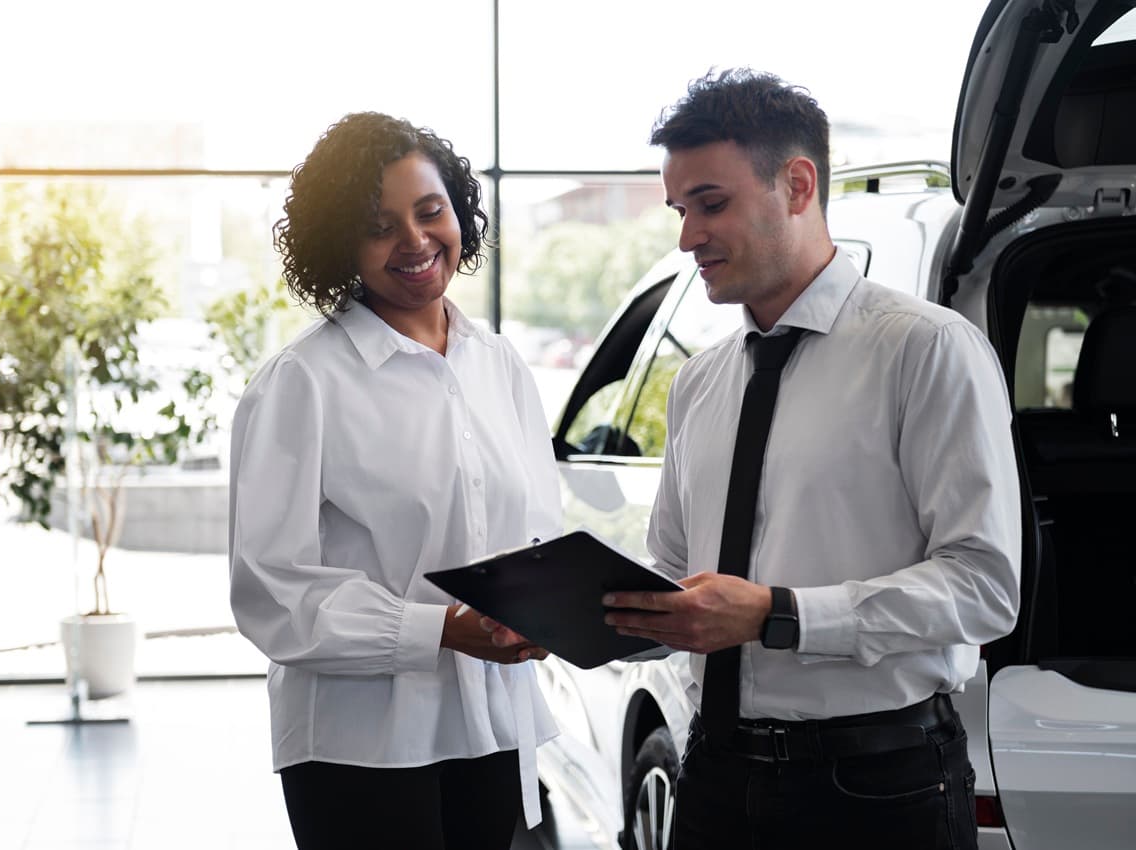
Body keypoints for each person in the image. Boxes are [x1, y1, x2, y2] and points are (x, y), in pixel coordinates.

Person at [599, 69, 1021, 849]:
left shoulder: (926, 351)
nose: (687, 237)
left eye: (711, 204)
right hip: (714, 773)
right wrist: (567, 613)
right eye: (679, 210)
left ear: (797, 185)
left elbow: (984, 588)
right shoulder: (698, 382)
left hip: (877, 785)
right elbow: (672, 569)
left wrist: (778, 614)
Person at [228, 112, 560, 850]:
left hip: (495, 723)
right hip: (361, 742)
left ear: (459, 214)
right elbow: (271, 591)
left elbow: (538, 528)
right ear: (340, 245)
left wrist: (547, 608)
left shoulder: (499, 365)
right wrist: (444, 630)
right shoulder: (301, 382)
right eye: (379, 226)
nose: (414, 241)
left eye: (429, 211)